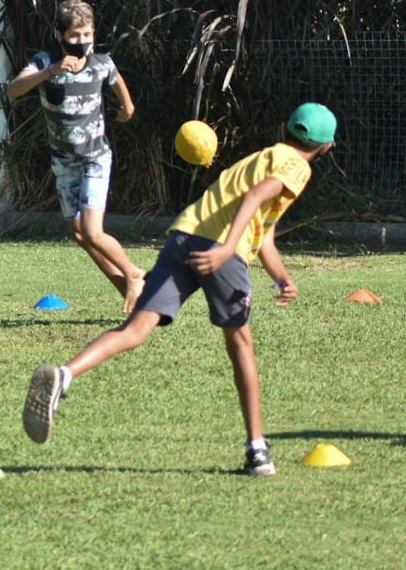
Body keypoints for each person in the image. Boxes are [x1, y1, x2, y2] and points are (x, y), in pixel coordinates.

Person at [21, 102, 337, 477]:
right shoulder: (297, 166)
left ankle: (64, 374)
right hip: (220, 249)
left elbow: (263, 229)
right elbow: (253, 201)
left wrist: (282, 276)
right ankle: (257, 452)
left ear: (284, 129)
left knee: (135, 331)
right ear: (326, 147)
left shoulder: (262, 157)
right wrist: (224, 249)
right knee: (241, 345)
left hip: (184, 237)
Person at [6, 0, 146, 313]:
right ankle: (128, 289)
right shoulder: (46, 62)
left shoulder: (101, 63)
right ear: (60, 35)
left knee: (94, 231)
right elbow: (13, 90)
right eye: (74, 36)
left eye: (87, 35)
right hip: (63, 161)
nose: (81, 42)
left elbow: (117, 80)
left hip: (95, 158)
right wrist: (51, 71)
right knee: (81, 235)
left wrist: (127, 108)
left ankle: (135, 274)